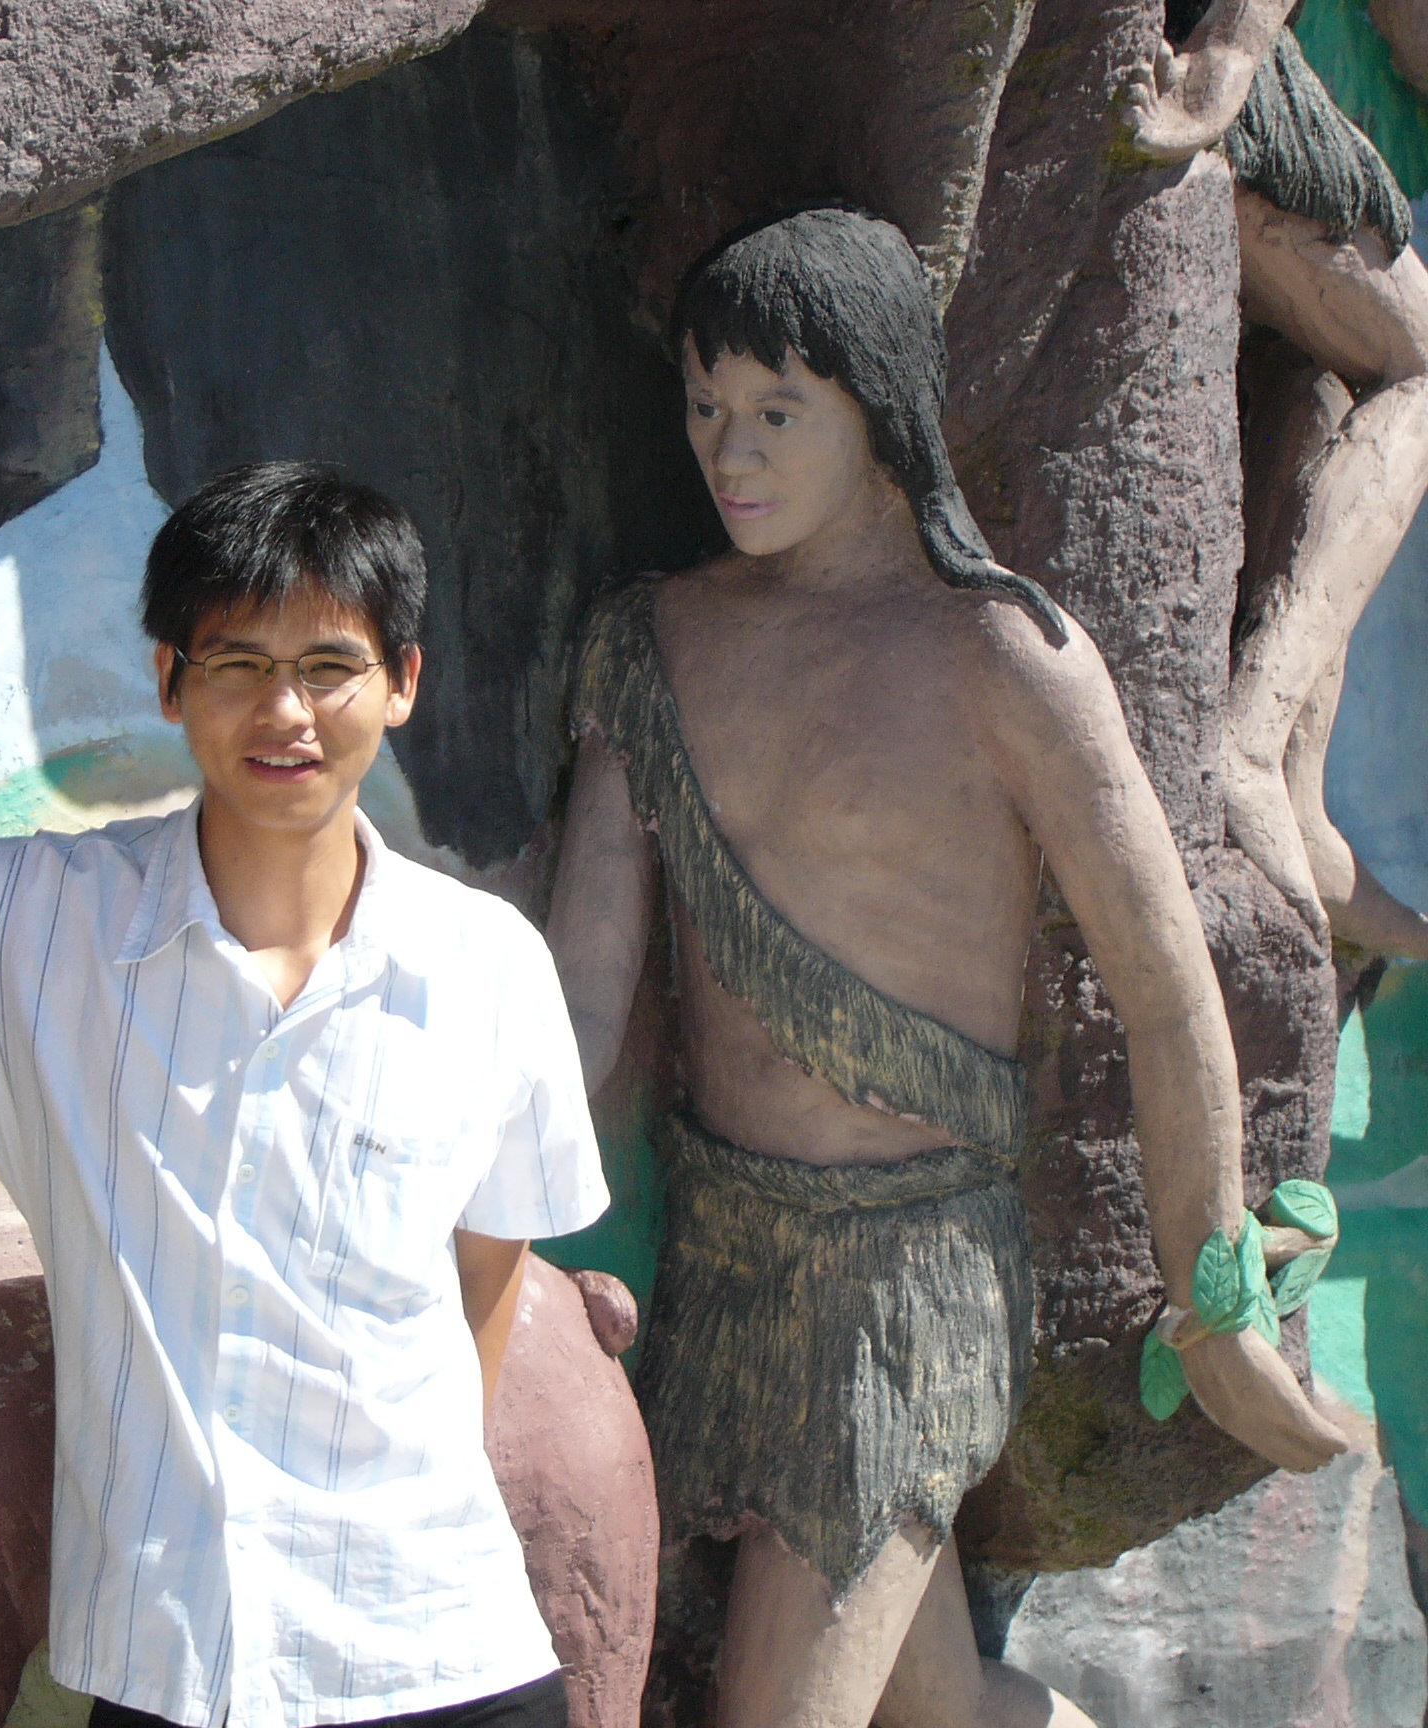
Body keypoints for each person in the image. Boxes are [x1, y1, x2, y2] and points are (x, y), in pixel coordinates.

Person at [545, 206, 1346, 1728]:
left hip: (909, 1284)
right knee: (940, 1707)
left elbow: (1165, 985)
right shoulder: (648, 642)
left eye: (778, 412)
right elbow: (579, 1007)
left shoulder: (1006, 656)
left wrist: (1216, 1287)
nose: (730, 451)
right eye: (706, 408)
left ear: (882, 408)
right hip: (726, 1257)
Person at [0, 461, 609, 1728]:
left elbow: (487, 1277)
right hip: (168, 1674)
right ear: (168, 680)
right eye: (237, 663)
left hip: (445, 1663)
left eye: (330, 666)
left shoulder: (488, 967)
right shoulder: (32, 917)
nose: (285, 710)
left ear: (402, 681)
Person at [1133, 0, 1428, 957]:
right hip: (1217, 91)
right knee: (1418, 365)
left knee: (1318, 387)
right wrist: (1225, 60)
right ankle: (1249, 741)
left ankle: (1296, 803)